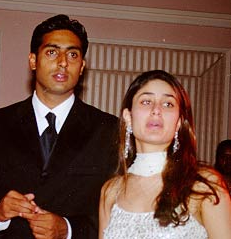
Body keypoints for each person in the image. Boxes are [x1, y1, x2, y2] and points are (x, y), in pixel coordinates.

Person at [0, 14, 119, 239]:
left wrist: (68, 230)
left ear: (82, 67)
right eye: (52, 52)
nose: (63, 62)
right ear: (33, 61)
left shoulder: (108, 130)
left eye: (72, 54)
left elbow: (117, 215)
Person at [99, 70, 231, 239]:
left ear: (178, 122)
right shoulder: (111, 191)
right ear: (128, 117)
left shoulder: (205, 185)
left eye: (168, 104)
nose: (156, 110)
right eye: (146, 101)